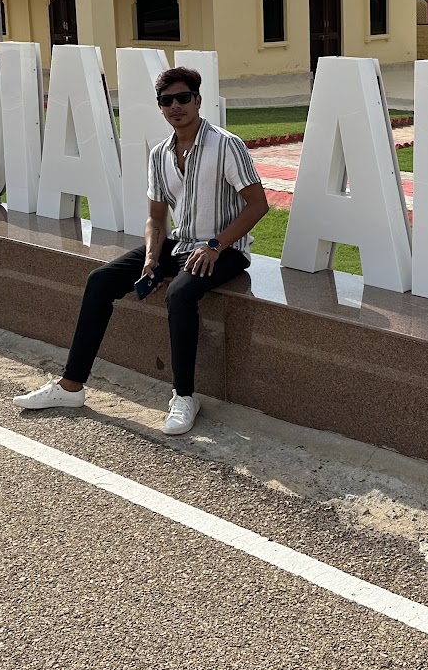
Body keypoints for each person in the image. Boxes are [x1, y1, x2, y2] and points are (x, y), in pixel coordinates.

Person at [14, 66, 269, 435]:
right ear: (160, 108)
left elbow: (258, 204)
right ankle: (71, 386)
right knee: (100, 280)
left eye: (184, 98)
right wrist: (151, 257)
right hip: (180, 244)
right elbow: (154, 217)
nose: (176, 106)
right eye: (168, 101)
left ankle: (184, 396)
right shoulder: (160, 154)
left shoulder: (226, 144)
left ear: (198, 101)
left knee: (181, 294)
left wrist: (216, 245)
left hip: (225, 250)